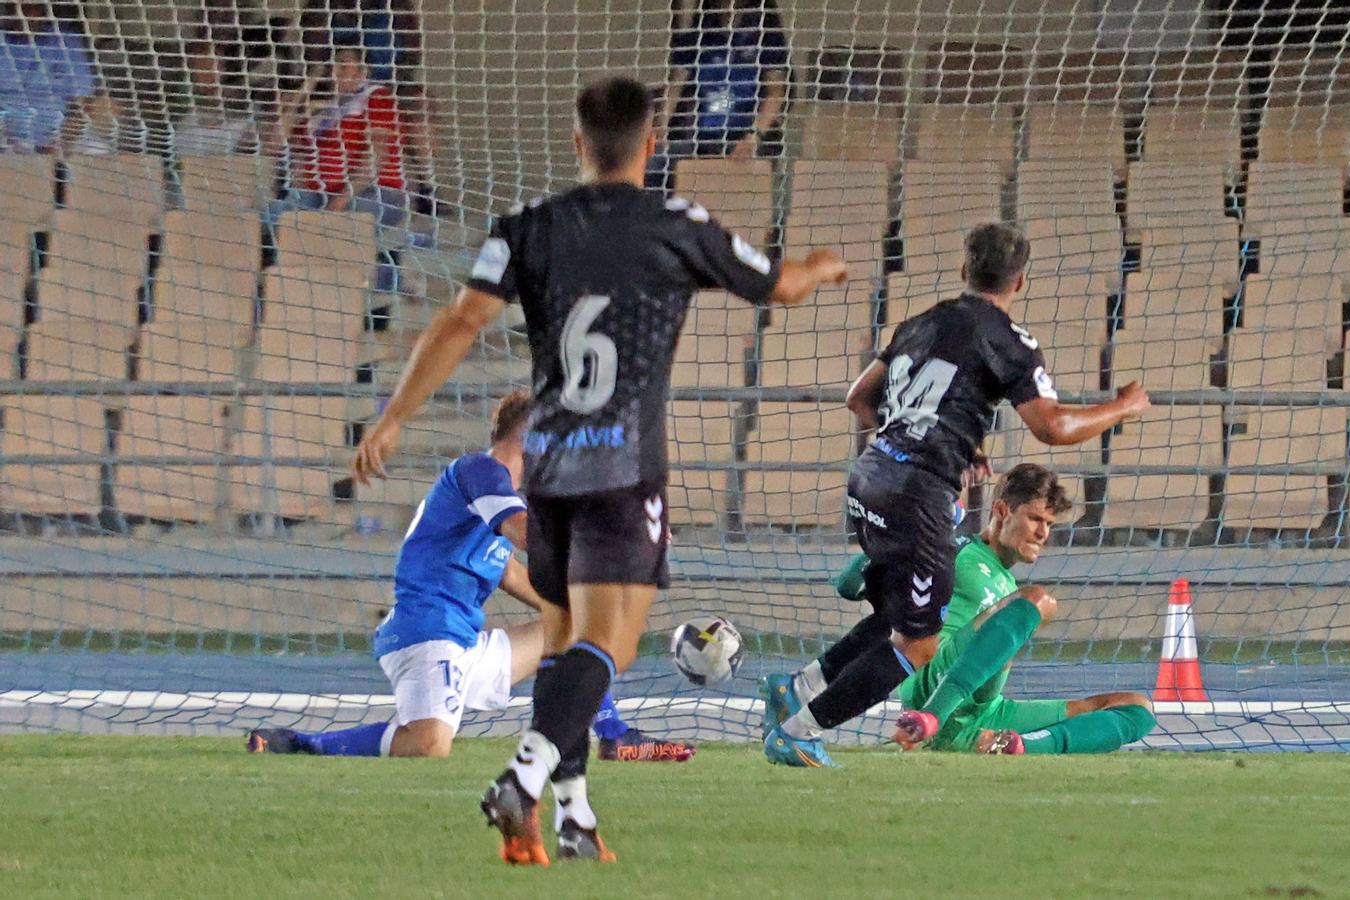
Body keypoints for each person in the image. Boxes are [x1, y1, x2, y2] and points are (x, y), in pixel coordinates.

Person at [348, 75, 846, 864]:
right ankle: (522, 777)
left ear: (578, 141)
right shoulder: (675, 222)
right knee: (610, 643)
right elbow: (779, 285)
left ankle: (574, 820)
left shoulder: (526, 226)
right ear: (652, 143)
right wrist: (819, 267)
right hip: (622, 467)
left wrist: (394, 416)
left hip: (547, 472)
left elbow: (461, 318)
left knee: (562, 641)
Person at [760, 223, 1151, 768]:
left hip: (869, 477)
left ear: (965, 272)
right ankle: (799, 731)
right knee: (920, 643)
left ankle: (798, 687)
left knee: (901, 613)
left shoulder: (920, 323)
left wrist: (946, 444)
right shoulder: (1010, 341)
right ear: (1020, 280)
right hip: (918, 493)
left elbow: (859, 399)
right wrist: (1124, 407)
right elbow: (1053, 426)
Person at [770, 464, 1157, 757]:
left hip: (986, 711)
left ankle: (1014, 745)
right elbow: (849, 585)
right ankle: (931, 720)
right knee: (1039, 601)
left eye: (1049, 523)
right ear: (1002, 510)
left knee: (1137, 708)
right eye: (1035, 518)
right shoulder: (954, 550)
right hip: (932, 685)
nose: (1043, 533)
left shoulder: (1007, 584)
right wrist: (904, 538)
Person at [246, 392, 553, 759]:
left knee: (573, 627)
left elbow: (510, 572)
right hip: (429, 629)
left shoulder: (499, 493)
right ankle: (302, 744)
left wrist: (569, 604)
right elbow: (525, 535)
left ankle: (608, 735)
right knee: (429, 746)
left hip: (462, 641)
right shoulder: (480, 470)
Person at [267, 42, 408, 298]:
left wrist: (342, 199)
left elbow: (378, 156)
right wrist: (306, 88)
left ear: (363, 72)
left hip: (371, 192)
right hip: (318, 195)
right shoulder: (323, 112)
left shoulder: (376, 97)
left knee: (341, 226)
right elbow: (274, 146)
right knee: (272, 216)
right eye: (332, 67)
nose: (336, 72)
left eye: (344, 65)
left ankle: (375, 285)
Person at [646, 0, 787, 192]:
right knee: (653, 163)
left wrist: (754, 136)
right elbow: (676, 85)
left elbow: (776, 92)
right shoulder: (702, 27)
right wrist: (661, 128)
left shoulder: (765, 31)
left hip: (743, 136)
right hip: (701, 138)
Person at [0, 1, 97, 153]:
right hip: (7, 138)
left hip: (59, 137)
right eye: (21, 8)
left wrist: (61, 141)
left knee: (97, 151)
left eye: (34, 8)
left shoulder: (65, 41)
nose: (28, 15)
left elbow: (83, 103)